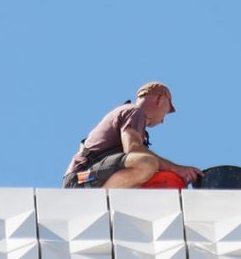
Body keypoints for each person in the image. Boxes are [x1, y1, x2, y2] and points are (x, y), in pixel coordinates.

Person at [62, 81, 201, 189]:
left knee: (153, 176)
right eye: (165, 113)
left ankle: (106, 199)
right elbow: (133, 149)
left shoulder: (132, 115)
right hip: (81, 179)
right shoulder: (134, 112)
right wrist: (176, 168)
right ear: (160, 100)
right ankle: (100, 200)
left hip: (90, 177)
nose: (163, 120)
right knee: (146, 163)